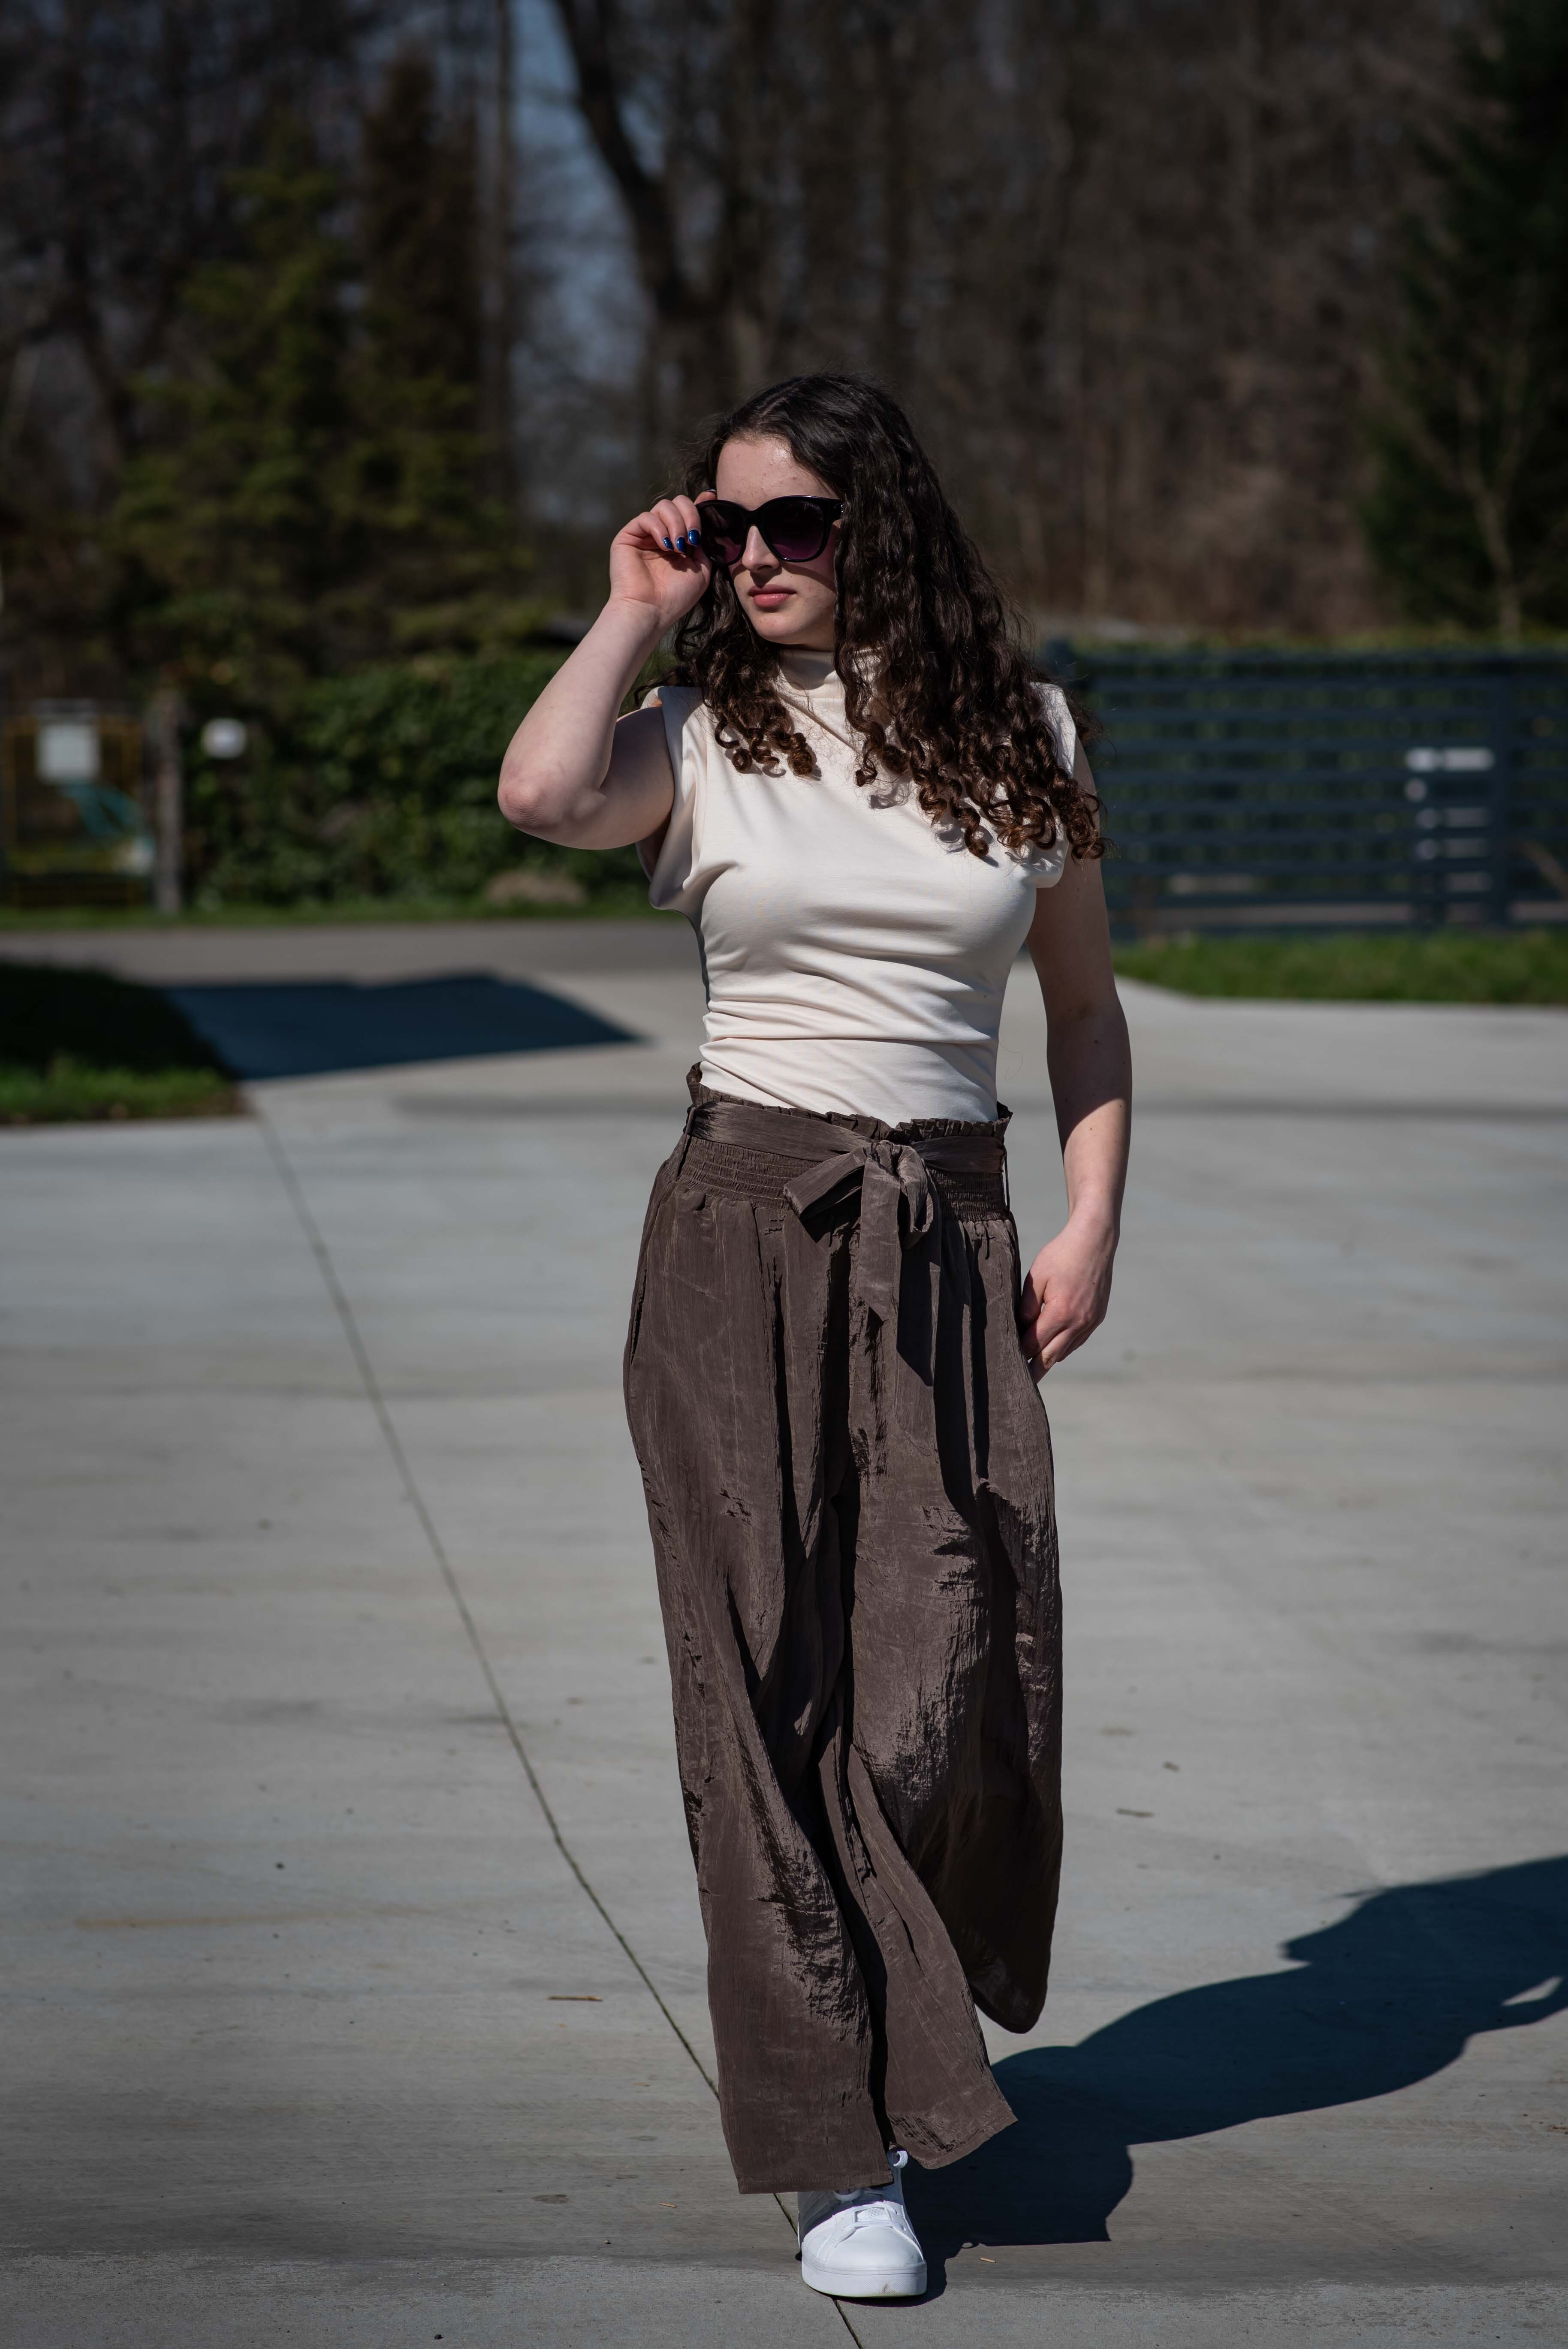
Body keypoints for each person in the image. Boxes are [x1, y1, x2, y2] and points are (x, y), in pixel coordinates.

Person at [498, 373, 1131, 2301]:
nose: (755, 556)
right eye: (729, 523)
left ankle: (886, 2062)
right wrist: (634, 603)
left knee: (940, 1681)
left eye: (795, 523)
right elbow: (541, 796)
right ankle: (839, 2149)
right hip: (740, 1236)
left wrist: (1093, 1218)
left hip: (950, 1239)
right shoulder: (704, 732)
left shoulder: (1028, 736)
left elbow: (1083, 1011)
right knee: (757, 1692)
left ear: (885, 530)